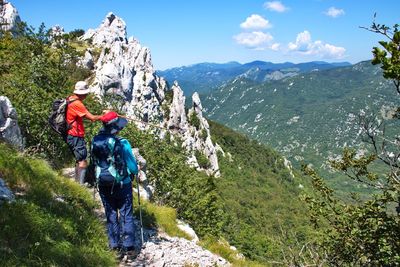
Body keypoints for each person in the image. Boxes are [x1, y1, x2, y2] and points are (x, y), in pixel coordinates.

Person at [91, 111, 139, 256]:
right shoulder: (122, 143)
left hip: (103, 183)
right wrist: (136, 170)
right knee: (126, 214)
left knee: (111, 214)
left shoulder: (95, 140)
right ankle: (129, 248)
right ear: (116, 128)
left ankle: (114, 248)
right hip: (122, 184)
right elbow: (133, 168)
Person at [66, 81, 102, 184]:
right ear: (83, 93)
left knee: (79, 159)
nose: (86, 95)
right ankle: (80, 187)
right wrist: (105, 116)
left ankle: (77, 185)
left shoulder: (70, 99)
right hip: (75, 135)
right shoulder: (78, 104)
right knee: (82, 161)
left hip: (70, 133)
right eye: (86, 93)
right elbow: (92, 118)